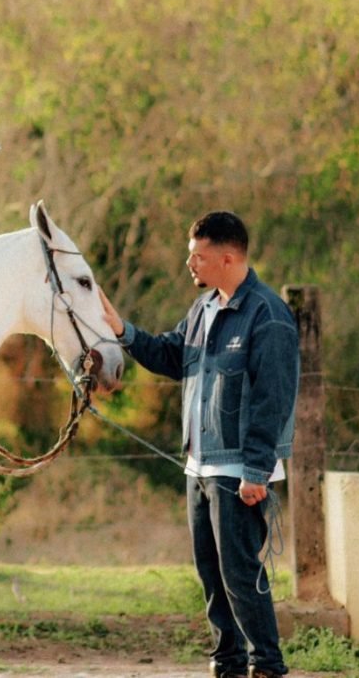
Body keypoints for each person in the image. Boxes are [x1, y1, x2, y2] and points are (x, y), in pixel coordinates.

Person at [100, 211, 299, 678]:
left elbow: (272, 400)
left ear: (227, 258)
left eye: (198, 257)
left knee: (240, 575)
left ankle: (267, 664)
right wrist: (122, 331)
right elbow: (172, 355)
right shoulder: (202, 309)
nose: (189, 264)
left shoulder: (268, 316)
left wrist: (256, 471)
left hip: (239, 471)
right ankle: (227, 662)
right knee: (211, 575)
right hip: (199, 466)